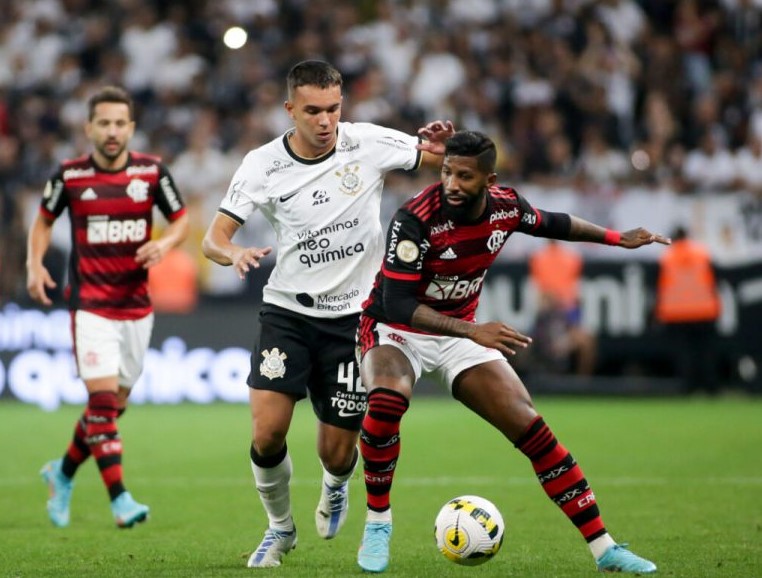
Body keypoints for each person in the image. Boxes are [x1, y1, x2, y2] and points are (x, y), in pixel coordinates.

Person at [355, 131, 669, 574]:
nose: (452, 183)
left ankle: (605, 549)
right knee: (388, 400)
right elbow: (399, 303)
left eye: (464, 175)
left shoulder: (505, 206)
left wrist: (618, 238)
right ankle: (378, 522)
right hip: (395, 329)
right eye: (447, 171)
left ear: (489, 179)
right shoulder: (415, 218)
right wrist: (472, 330)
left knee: (533, 428)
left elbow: (555, 223)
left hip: (461, 335)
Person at [201, 60, 453, 568]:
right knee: (267, 431)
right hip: (287, 313)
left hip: (355, 321)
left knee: (337, 454)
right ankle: (279, 529)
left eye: (333, 109)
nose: (325, 121)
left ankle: (335, 488)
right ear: (290, 108)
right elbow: (213, 239)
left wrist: (446, 144)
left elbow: (447, 164)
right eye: (312, 110)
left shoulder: (369, 142)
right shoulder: (262, 164)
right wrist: (234, 255)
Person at [26, 86, 189, 528]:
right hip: (90, 304)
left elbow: (180, 219)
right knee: (100, 402)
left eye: (120, 123)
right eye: (104, 123)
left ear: (131, 128)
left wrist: (166, 245)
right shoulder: (69, 176)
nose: (112, 131)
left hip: (136, 306)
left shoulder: (153, 173)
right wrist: (33, 263)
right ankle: (120, 499)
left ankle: (60, 473)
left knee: (111, 410)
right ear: (89, 128)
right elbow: (43, 221)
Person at [654, 225, 721, 393]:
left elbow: (659, 286)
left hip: (677, 312)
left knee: (685, 353)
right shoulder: (702, 253)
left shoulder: (666, 257)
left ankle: (688, 387)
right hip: (704, 310)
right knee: (706, 352)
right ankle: (710, 387)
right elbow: (715, 279)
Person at [528, 239, 597, 376]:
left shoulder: (570, 258)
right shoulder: (540, 257)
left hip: (565, 313)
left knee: (585, 343)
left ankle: (581, 386)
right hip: (549, 314)